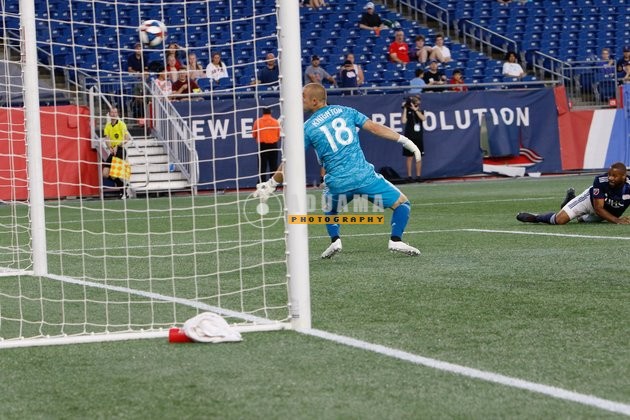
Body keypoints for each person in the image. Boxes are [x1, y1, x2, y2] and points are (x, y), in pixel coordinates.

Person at [254, 83, 422, 257]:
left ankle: (335, 240)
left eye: (303, 97)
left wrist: (272, 183)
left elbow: (291, 160)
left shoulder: (307, 128)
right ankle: (396, 240)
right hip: (363, 177)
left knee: (330, 209)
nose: (300, 100)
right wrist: (406, 141)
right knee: (402, 204)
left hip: (337, 183)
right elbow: (375, 128)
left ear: (314, 101)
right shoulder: (346, 111)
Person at [516, 162, 630, 225]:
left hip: (608, 212)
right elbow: (598, 208)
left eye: (614, 176)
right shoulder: (600, 181)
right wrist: (617, 220)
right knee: (560, 220)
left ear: (624, 176)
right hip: (590, 202)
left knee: (581, 220)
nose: (610, 178)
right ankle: (536, 217)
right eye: (609, 174)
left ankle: (570, 203)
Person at [102, 107, 131, 198]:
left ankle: (123, 192)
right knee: (105, 174)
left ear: (117, 114)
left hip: (120, 150)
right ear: (109, 114)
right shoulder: (108, 126)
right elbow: (107, 138)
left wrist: (117, 146)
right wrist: (109, 147)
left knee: (115, 174)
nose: (114, 114)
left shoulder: (121, 124)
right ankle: (122, 185)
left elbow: (126, 138)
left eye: (115, 112)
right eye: (112, 112)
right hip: (113, 151)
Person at [252, 108, 281, 183]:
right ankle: (273, 184)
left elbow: (254, 135)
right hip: (273, 146)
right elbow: (278, 135)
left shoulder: (257, 122)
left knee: (262, 167)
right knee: (273, 166)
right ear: (270, 112)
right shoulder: (275, 122)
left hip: (262, 146)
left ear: (263, 112)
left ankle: (261, 184)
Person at [400, 95, 426, 182]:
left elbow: (423, 118)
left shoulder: (420, 111)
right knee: (409, 157)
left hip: (418, 137)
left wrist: (416, 110)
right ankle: (409, 176)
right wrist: (405, 108)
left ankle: (418, 176)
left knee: (418, 156)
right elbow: (403, 121)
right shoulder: (407, 111)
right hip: (409, 137)